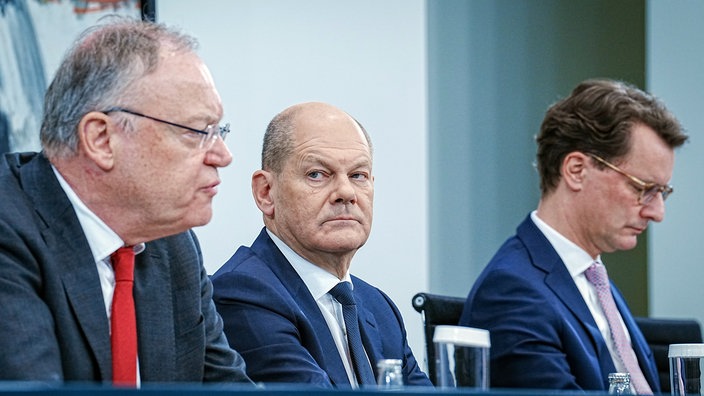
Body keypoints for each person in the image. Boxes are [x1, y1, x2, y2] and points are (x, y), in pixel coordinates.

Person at [0, 17, 252, 385]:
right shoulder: (9, 229)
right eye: (198, 132)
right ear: (101, 139)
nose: (223, 155)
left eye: (219, 131)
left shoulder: (174, 246)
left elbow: (224, 386)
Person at [459, 79, 688, 393]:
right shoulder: (512, 293)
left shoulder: (593, 280)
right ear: (577, 170)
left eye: (662, 192)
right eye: (642, 189)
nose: (657, 212)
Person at [211, 102, 432, 388]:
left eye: (358, 175)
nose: (346, 192)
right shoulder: (242, 293)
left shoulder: (379, 307)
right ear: (266, 192)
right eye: (317, 174)